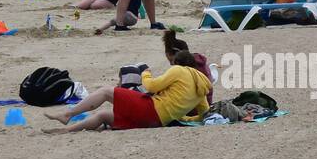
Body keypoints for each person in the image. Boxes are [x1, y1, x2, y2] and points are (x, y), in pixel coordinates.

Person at [44, 33, 210, 133]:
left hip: (150, 110)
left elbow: (151, 86)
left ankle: (67, 115)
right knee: (103, 116)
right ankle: (67, 130)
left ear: (177, 62)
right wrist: (183, 118)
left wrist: (146, 74)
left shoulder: (179, 70)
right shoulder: (202, 87)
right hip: (156, 122)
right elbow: (204, 114)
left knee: (106, 92)